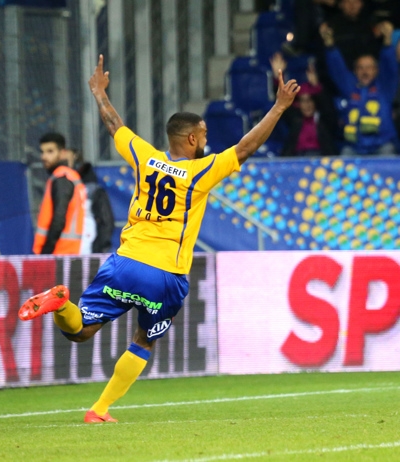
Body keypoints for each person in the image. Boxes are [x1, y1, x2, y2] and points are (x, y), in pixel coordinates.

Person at [18, 55, 299, 423]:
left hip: (125, 262)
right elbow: (245, 147)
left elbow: (113, 123)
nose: (207, 142)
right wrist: (278, 107)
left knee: (81, 331)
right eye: (205, 137)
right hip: (166, 273)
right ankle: (99, 409)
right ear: (193, 138)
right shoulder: (200, 172)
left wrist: (99, 93)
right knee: (143, 340)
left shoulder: (144, 157)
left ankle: (60, 304)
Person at [320, 20, 399, 155]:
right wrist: (329, 44)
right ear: (355, 71)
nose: (365, 71)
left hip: (382, 145)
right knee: (344, 156)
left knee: (389, 153)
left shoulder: (385, 87)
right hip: (354, 146)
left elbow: (390, 68)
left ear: (376, 70)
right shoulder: (350, 87)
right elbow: (337, 69)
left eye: (369, 67)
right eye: (360, 68)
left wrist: (387, 42)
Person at [269, 53, 338, 156]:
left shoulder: (324, 120)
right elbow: (280, 102)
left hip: (320, 159)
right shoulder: (294, 119)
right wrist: (278, 77)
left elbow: (327, 107)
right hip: (297, 160)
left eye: (310, 100)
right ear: (298, 104)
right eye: (303, 101)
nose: (307, 105)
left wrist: (316, 86)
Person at [33, 132, 89, 255]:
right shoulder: (71, 176)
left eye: (50, 151)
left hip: (59, 254)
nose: (44, 157)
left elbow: (59, 219)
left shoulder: (61, 178)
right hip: (70, 252)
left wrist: (46, 252)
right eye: (42, 152)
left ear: (62, 153)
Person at [67, 148, 115, 253]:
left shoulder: (93, 191)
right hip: (67, 252)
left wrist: (98, 248)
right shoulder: (62, 187)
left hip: (88, 251)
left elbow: (106, 221)